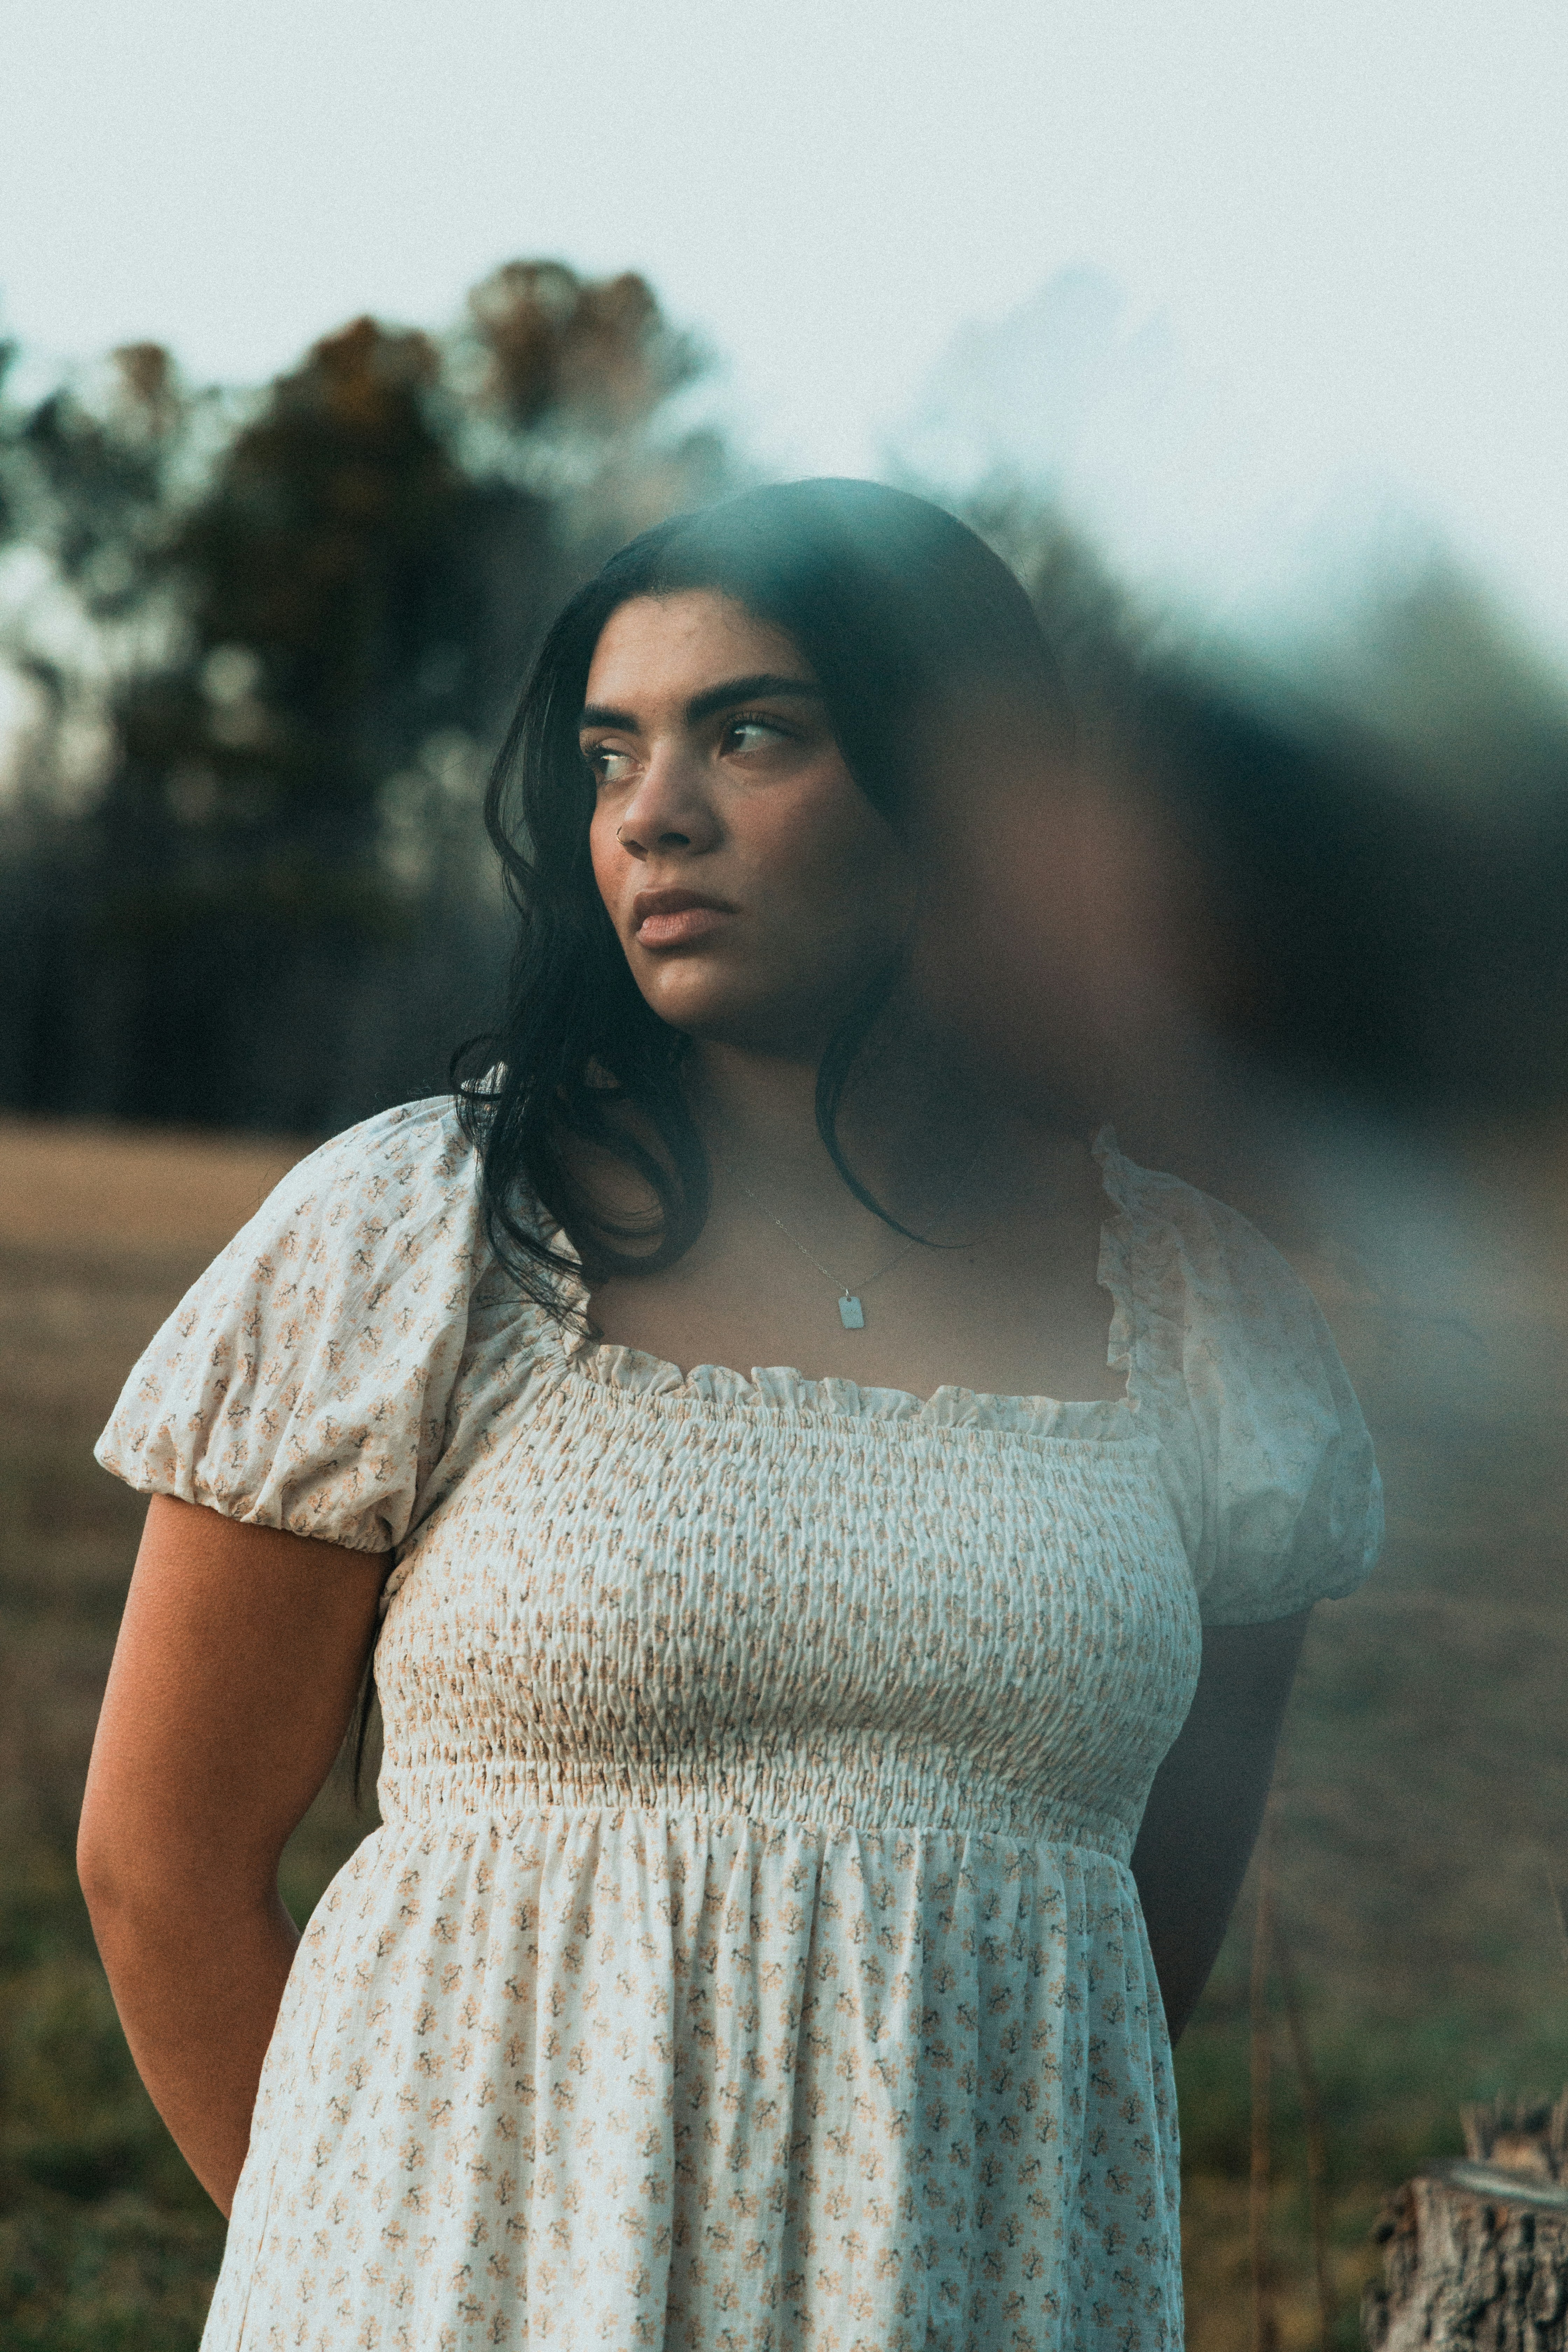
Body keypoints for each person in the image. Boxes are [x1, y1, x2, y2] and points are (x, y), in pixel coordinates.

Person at [78, 479, 1382, 2352]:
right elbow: (161, 1869)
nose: (652, 814)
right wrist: (373, 2271)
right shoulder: (415, 1236)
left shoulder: (1207, 1327)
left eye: (748, 733)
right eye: (611, 753)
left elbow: (1116, 1975)